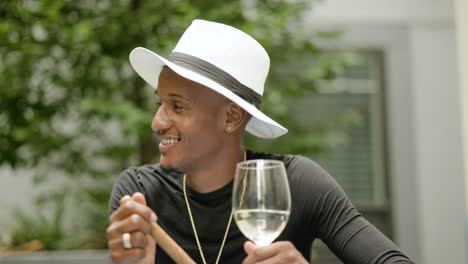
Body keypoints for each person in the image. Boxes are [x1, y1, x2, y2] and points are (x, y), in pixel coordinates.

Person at [106, 19, 414, 264]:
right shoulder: (139, 195)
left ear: (231, 118)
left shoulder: (296, 183)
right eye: (159, 104)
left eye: (177, 106)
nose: (157, 122)